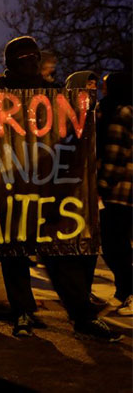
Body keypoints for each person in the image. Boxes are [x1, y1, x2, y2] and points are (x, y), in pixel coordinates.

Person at [0, 36, 122, 341]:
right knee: (14, 252)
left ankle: (81, 314)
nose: (29, 62)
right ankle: (21, 312)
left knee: (61, 254)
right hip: (10, 187)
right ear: (10, 63)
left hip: (50, 188)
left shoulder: (56, 95)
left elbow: (74, 136)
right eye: (22, 58)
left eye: (34, 56)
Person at [97, 71, 133, 316]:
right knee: (119, 244)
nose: (102, 90)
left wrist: (102, 186)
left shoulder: (120, 113)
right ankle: (124, 292)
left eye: (106, 86)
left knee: (112, 245)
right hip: (124, 190)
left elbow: (114, 153)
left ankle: (127, 291)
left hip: (119, 191)